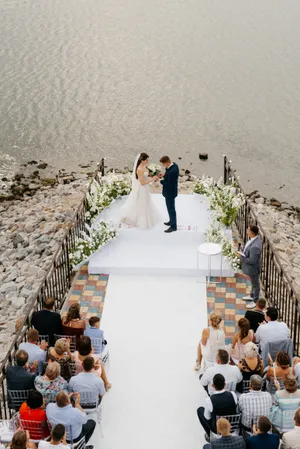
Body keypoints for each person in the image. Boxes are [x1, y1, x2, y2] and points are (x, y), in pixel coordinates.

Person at [120, 153, 160, 229]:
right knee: (142, 203)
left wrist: (153, 176)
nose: (148, 161)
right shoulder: (139, 169)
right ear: (142, 160)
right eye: (146, 160)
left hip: (145, 188)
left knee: (146, 201)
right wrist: (152, 179)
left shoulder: (144, 166)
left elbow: (146, 177)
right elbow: (142, 183)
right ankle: (141, 220)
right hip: (142, 189)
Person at [197, 374, 238, 439]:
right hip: (232, 426)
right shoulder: (233, 395)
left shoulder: (209, 400)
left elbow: (207, 417)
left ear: (213, 385)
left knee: (200, 410)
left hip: (217, 429)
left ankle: (209, 435)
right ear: (225, 384)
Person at [239, 225, 262, 310]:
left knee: (255, 284)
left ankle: (255, 301)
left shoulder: (255, 246)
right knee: (253, 283)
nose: (247, 231)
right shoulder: (254, 239)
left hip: (254, 269)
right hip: (252, 268)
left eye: (248, 230)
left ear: (252, 232)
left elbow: (252, 261)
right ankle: (252, 295)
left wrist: (242, 257)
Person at [159, 155, 179, 233]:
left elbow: (169, 184)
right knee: (169, 208)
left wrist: (161, 181)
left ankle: (173, 226)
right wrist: (164, 175)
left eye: (163, 164)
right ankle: (171, 221)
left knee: (171, 209)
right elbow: (169, 175)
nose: (163, 166)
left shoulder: (172, 171)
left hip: (170, 193)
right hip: (170, 191)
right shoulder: (174, 165)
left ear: (167, 162)